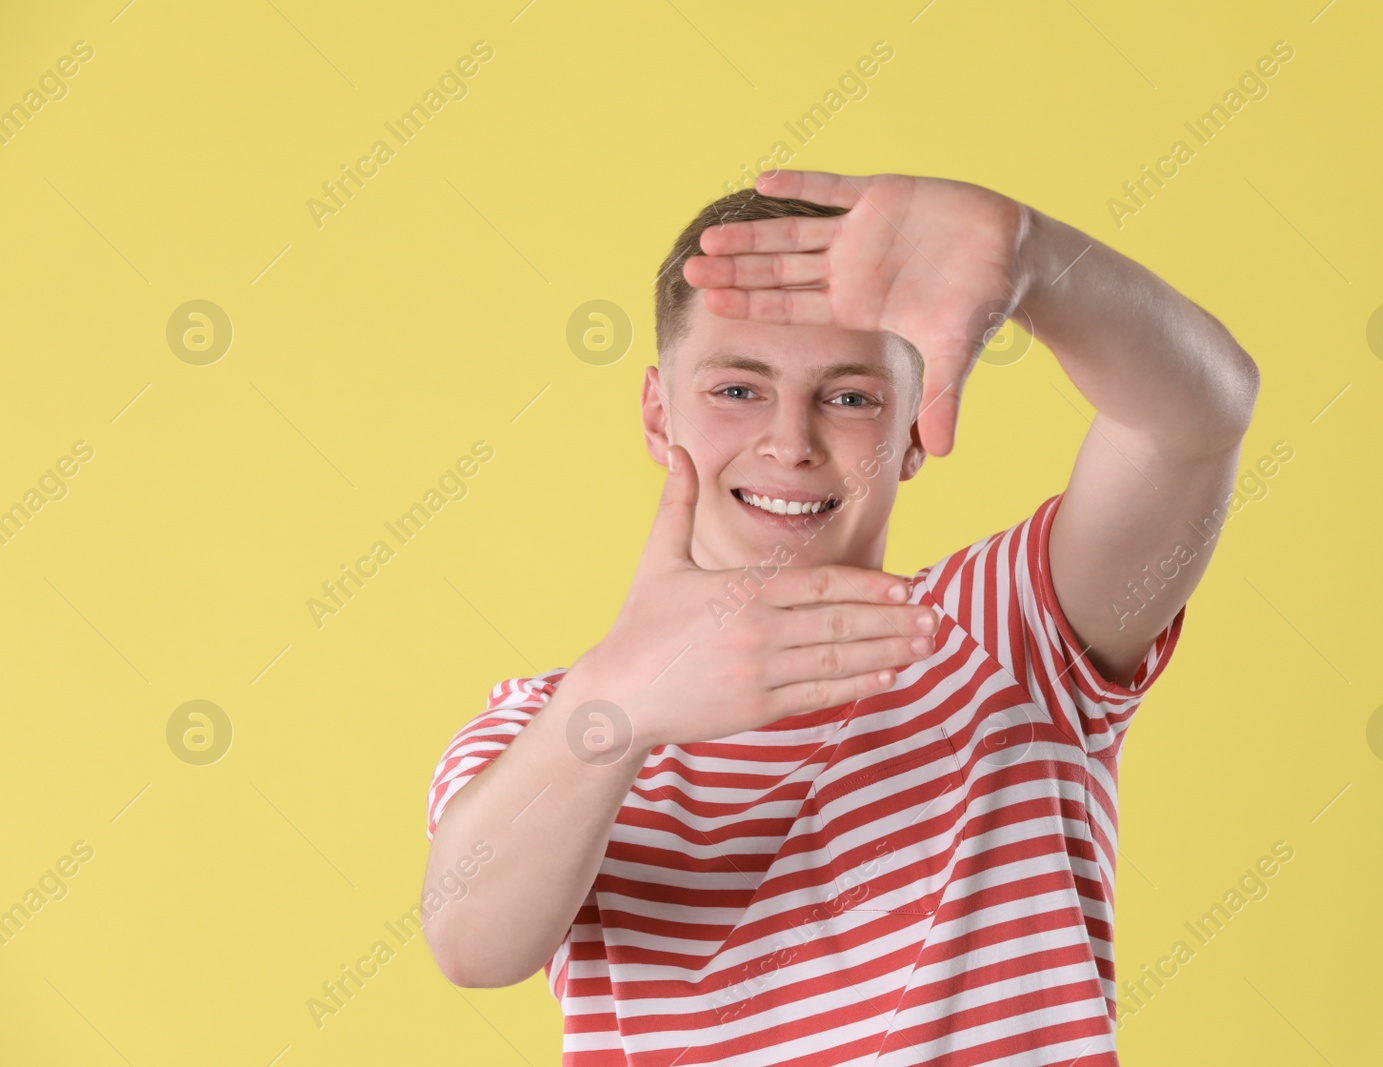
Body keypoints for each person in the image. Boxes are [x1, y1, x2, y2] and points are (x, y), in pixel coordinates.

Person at [420, 169, 1259, 1065]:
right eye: (737, 389)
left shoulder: (1011, 631)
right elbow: (471, 946)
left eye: (851, 397)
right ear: (659, 418)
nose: (791, 442)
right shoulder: (549, 723)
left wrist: (1035, 259)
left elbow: (1197, 420)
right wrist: (615, 709)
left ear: (911, 432)